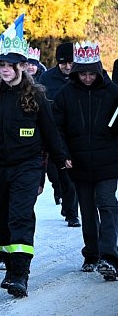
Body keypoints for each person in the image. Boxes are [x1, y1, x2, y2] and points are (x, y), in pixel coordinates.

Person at [0, 38, 70, 298]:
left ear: (22, 67)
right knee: (1, 218)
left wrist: (63, 161)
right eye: (2, 65)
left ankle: (20, 273)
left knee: (20, 215)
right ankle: (7, 259)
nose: (5, 70)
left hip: (27, 166)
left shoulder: (36, 96)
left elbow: (50, 133)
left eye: (10, 65)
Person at [53, 42, 118, 279]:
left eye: (92, 73)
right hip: (78, 162)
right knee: (88, 210)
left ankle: (110, 256)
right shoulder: (65, 95)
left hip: (109, 162)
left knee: (107, 205)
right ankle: (91, 253)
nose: (88, 78)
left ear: (99, 71)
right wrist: (63, 154)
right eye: (83, 73)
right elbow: (56, 128)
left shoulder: (113, 93)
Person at [39, 43, 80, 227]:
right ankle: (61, 196)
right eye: (64, 63)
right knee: (55, 175)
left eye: (71, 63)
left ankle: (72, 213)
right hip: (51, 131)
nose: (68, 67)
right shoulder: (47, 78)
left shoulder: (80, 76)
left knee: (68, 174)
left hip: (71, 133)